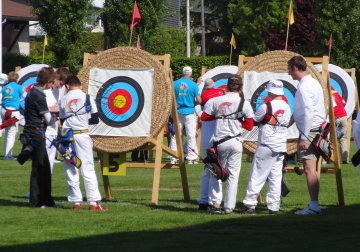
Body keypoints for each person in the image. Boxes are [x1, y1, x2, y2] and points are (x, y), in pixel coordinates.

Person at [201, 74, 254, 214]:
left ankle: (216, 205)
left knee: (216, 172)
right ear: (241, 87)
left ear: (227, 87)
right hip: (236, 142)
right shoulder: (245, 103)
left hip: (220, 142)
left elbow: (204, 116)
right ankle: (229, 207)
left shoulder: (216, 100)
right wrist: (237, 119)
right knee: (233, 175)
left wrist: (220, 115)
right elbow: (249, 126)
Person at [241, 80, 291, 214]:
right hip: (280, 147)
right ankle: (273, 207)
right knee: (275, 177)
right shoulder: (287, 107)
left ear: (270, 91)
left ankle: (250, 205)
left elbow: (255, 120)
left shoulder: (266, 106)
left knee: (257, 175)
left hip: (266, 145)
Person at [59, 75, 107, 211]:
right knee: (88, 168)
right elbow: (95, 119)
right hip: (82, 135)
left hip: (67, 138)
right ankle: (93, 203)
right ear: (79, 85)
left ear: (67, 86)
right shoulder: (87, 97)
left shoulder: (63, 99)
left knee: (71, 168)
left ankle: (76, 203)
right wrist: (83, 121)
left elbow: (62, 120)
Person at [20, 66, 63, 208]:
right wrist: (56, 117)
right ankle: (37, 201)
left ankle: (44, 200)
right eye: (52, 83)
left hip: (33, 132)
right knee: (40, 167)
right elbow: (49, 121)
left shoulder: (33, 91)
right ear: (48, 81)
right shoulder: (39, 95)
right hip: (36, 133)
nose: (52, 86)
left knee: (41, 167)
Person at [288, 56, 326, 215]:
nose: (288, 73)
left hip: (310, 131)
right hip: (317, 130)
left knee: (309, 169)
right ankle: (314, 204)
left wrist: (303, 137)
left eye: (289, 69)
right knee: (313, 169)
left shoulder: (304, 87)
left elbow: (309, 112)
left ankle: (314, 205)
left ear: (295, 68)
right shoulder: (313, 82)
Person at [196, 78, 225, 211]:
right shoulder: (221, 93)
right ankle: (215, 202)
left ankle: (203, 201)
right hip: (219, 137)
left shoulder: (204, 97)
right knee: (217, 169)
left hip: (207, 137)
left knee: (208, 169)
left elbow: (201, 111)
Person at [169, 66, 202, 164]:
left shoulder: (174, 84)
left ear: (182, 73)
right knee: (191, 134)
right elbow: (199, 100)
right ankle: (191, 157)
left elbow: (171, 98)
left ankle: (173, 156)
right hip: (189, 112)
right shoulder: (193, 85)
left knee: (176, 135)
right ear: (191, 74)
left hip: (177, 112)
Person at [1, 71, 26, 160]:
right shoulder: (18, 87)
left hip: (4, 110)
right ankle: (8, 155)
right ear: (16, 79)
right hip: (13, 112)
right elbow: (26, 96)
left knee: (7, 133)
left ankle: (6, 154)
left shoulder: (4, 88)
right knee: (11, 134)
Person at [331, 87, 348, 164]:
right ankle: (345, 159)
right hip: (343, 116)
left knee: (332, 139)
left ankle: (330, 158)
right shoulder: (335, 92)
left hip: (335, 118)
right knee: (343, 139)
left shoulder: (325, 94)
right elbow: (343, 102)